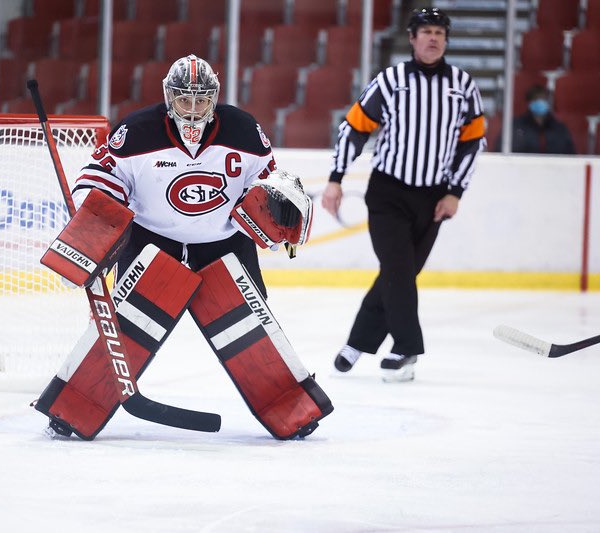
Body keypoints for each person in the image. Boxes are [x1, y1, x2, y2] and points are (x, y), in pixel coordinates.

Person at [33, 54, 332, 440]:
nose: (192, 109)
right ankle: (74, 407)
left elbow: (269, 180)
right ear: (168, 97)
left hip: (224, 243)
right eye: (184, 100)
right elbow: (100, 177)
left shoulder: (243, 130)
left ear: (215, 98)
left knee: (251, 333)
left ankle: (293, 410)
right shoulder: (136, 131)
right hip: (152, 241)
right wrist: (95, 216)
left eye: (201, 101)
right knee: (125, 330)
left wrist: (275, 202)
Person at [322, 7, 485, 382]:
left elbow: (473, 144)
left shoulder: (463, 85)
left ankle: (358, 342)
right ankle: (406, 348)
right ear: (411, 38)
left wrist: (456, 192)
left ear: (446, 40)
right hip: (388, 193)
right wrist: (336, 178)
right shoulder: (391, 80)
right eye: (426, 31)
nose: (433, 38)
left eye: (439, 33)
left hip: (433, 199)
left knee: (401, 273)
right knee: (398, 268)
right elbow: (354, 128)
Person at [498, 84, 576, 154]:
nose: (540, 102)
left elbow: (570, 155)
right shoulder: (515, 127)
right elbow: (501, 151)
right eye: (536, 99)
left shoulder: (559, 129)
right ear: (529, 103)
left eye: (543, 99)